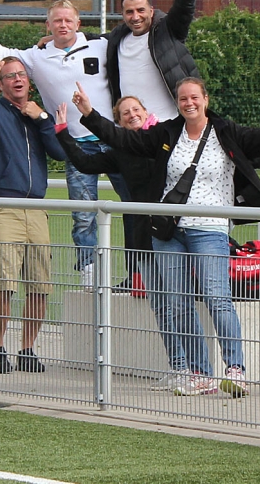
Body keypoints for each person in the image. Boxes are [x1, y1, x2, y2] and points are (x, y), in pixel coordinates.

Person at [73, 76, 260, 396]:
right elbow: (124, 140)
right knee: (179, 303)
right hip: (168, 231)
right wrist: (89, 114)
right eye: (183, 99)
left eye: (194, 97)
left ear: (205, 99)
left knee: (217, 298)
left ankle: (235, 369)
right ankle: (200, 374)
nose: (189, 103)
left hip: (210, 229)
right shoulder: (167, 133)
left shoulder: (225, 131)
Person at [0, 6, 123, 291]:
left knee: (136, 205)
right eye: (57, 21)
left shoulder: (101, 45)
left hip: (114, 138)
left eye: (68, 20)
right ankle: (90, 273)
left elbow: (131, 38)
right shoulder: (36, 57)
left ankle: (143, 271)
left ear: (79, 23)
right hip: (77, 145)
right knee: (83, 216)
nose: (63, 25)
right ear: (48, 25)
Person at [53, 96, 198, 391]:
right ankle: (179, 367)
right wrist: (62, 132)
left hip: (173, 232)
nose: (132, 115)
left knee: (179, 303)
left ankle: (197, 370)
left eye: (136, 110)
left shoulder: (166, 137)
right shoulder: (120, 150)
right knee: (161, 306)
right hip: (142, 234)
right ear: (118, 122)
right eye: (124, 113)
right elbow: (85, 163)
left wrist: (258, 157)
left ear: (146, 112)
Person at [0, 56, 66, 374]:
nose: (17, 80)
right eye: (10, 76)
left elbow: (60, 153)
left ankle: (27, 350)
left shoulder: (38, 114)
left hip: (36, 208)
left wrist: (42, 118)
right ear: (1, 84)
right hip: (2, 206)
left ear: (28, 82)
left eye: (22, 74)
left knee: (39, 286)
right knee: (4, 284)